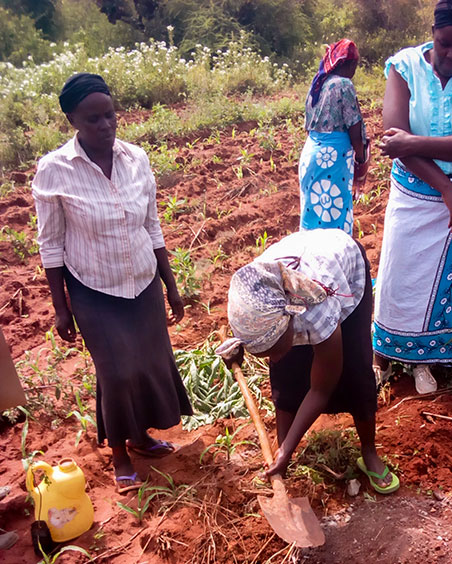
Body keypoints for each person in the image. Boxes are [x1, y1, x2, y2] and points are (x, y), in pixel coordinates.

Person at [32, 73, 192, 494]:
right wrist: (62, 307)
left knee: (148, 363)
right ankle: (120, 453)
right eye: (93, 119)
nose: (105, 125)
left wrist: (169, 284)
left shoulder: (135, 158)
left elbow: (152, 227)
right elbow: (50, 247)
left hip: (141, 280)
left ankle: (141, 438)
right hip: (94, 289)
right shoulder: (54, 171)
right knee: (116, 373)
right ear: (72, 121)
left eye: (109, 115)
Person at [372, 0, 452, 393]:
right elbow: (396, 142)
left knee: (443, 286)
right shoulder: (403, 68)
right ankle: (382, 356)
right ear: (433, 32)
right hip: (416, 192)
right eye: (446, 43)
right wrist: (445, 188)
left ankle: (424, 360)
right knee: (399, 278)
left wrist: (416, 141)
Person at [221, 229, 399, 494]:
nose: (275, 358)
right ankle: (282, 458)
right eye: (266, 353)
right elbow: (252, 332)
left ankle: (369, 452)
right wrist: (237, 350)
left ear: (289, 321)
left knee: (354, 372)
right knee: (285, 376)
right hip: (302, 265)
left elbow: (321, 388)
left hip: (344, 275)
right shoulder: (252, 300)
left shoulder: (318, 309)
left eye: (275, 349)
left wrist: (290, 446)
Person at [299, 39, 370, 236]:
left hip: (311, 154)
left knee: (314, 216)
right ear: (348, 64)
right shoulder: (343, 84)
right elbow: (354, 127)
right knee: (332, 222)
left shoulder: (319, 84)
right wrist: (362, 158)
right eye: (354, 66)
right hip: (331, 159)